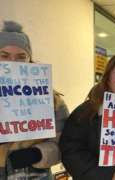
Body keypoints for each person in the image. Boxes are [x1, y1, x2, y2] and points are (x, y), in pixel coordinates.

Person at [0, 21, 69, 179]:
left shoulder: (51, 100)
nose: (12, 62)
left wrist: (38, 154)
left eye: (20, 57)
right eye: (4, 56)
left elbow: (64, 143)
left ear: (29, 60)